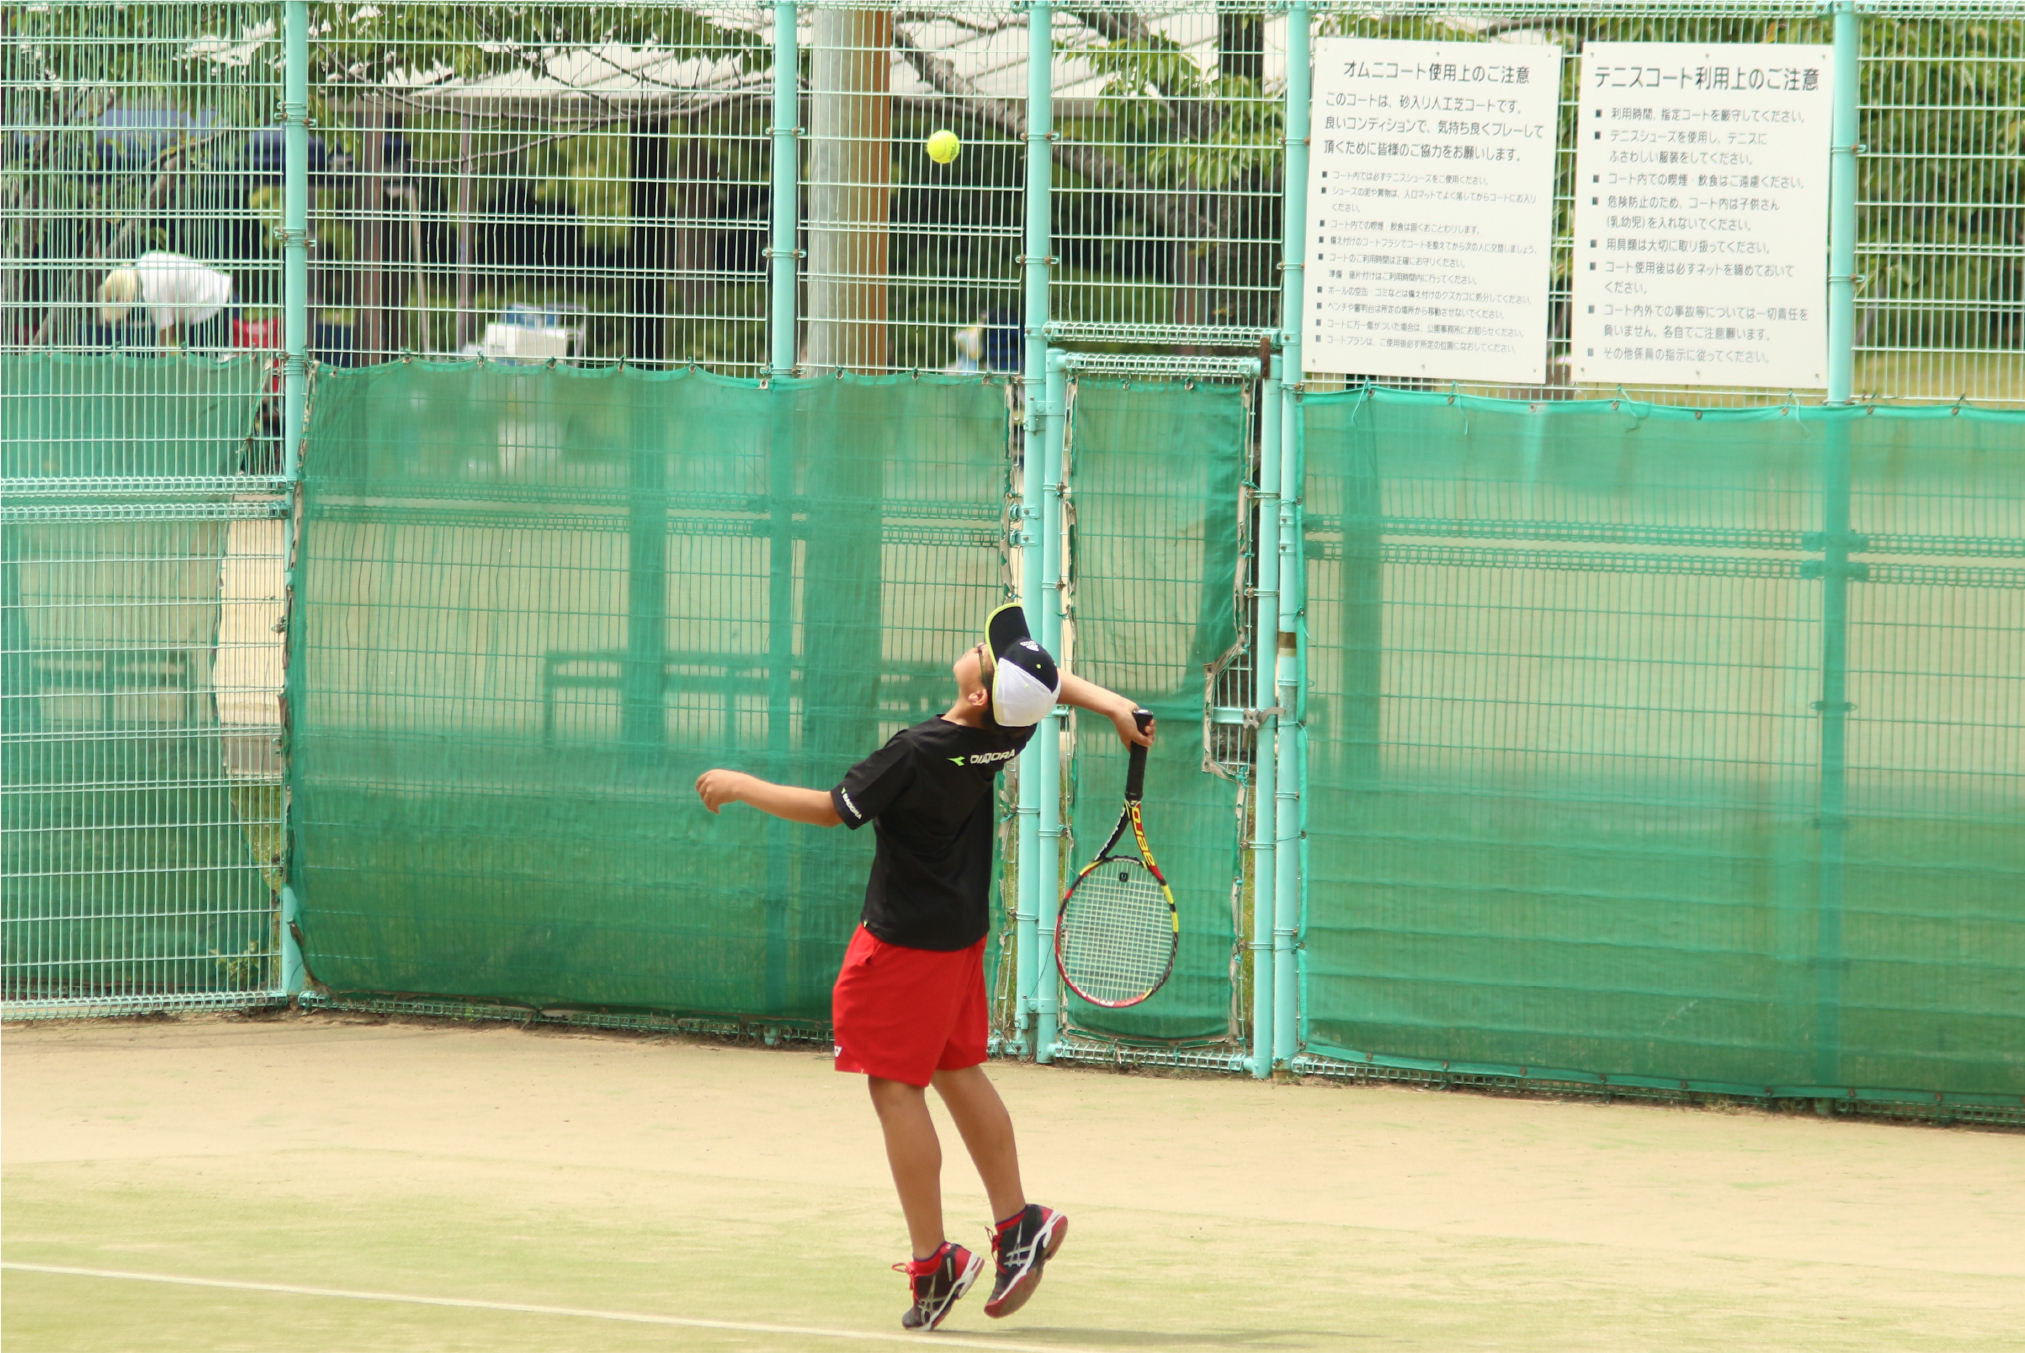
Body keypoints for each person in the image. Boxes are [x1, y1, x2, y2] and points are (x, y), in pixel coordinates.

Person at [695, 603, 1154, 1332]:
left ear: (978, 691)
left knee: (894, 1086)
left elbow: (829, 809)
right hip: (958, 933)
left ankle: (934, 1260)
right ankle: (1018, 1223)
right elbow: (1045, 681)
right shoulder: (1013, 727)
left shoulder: (915, 751)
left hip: (902, 944)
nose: (979, 645)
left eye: (983, 651)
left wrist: (739, 785)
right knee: (954, 1068)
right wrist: (1112, 706)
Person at [97, 251, 234, 349]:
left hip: (215, 304)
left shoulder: (152, 291)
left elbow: (165, 338)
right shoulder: (145, 260)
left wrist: (160, 376)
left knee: (205, 374)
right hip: (219, 292)